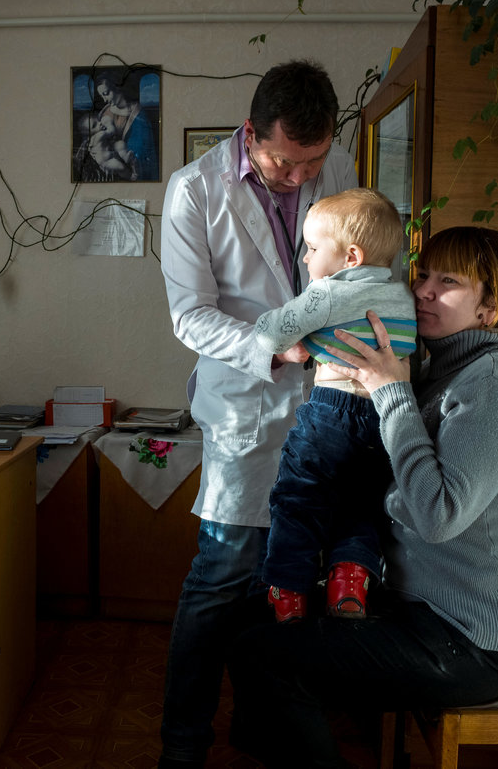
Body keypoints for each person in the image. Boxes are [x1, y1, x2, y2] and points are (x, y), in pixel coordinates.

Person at [227, 226, 498, 768]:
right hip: (419, 609)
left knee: (266, 658)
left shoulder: (493, 385)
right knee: (252, 613)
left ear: (493, 308)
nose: (423, 290)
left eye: (448, 282)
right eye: (423, 275)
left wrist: (389, 392)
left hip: (472, 641)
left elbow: (438, 516)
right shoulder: (439, 370)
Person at [159, 59, 358, 767]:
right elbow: (190, 315)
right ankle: (183, 743)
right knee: (222, 572)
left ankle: (257, 720)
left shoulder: (339, 170)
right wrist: (277, 348)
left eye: (314, 161)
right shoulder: (194, 191)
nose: (300, 177)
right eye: (284, 162)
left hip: (326, 401)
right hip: (246, 404)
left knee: (289, 575)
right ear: (251, 134)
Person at [252, 187, 416, 624]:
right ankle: (349, 581)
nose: (306, 259)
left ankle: (289, 591)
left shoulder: (326, 293)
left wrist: (294, 329)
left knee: (299, 497)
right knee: (362, 502)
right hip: (384, 416)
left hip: (331, 413)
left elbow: (269, 335)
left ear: (351, 257)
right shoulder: (404, 296)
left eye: (312, 248)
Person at [95, 70, 158, 181]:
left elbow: (144, 147)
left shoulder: (138, 113)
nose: (105, 100)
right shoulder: (105, 112)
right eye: (102, 96)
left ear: (117, 88)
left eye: (106, 94)